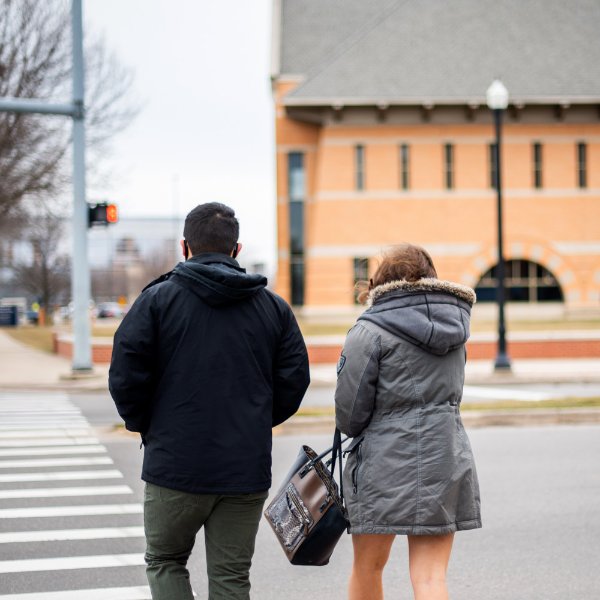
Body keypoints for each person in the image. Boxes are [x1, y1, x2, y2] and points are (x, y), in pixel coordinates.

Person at [109, 202, 310, 600]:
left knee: (165, 561)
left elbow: (125, 378)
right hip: (244, 468)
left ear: (185, 247)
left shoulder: (156, 302)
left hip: (174, 464)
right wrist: (255, 421)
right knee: (231, 578)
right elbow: (294, 381)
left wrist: (147, 424)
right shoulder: (273, 308)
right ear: (237, 250)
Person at [334, 243, 481, 600]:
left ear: (381, 284)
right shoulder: (455, 329)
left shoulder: (368, 332)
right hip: (445, 457)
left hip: (382, 465)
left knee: (368, 567)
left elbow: (349, 416)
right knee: (431, 578)